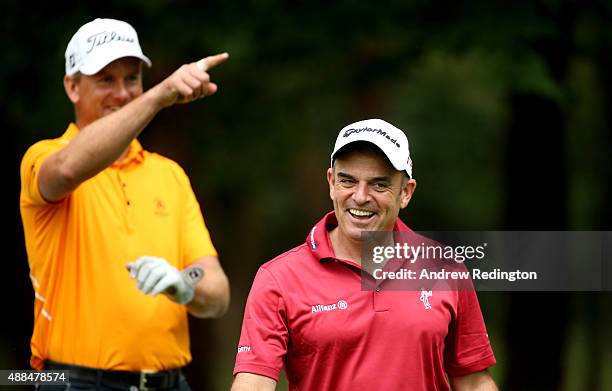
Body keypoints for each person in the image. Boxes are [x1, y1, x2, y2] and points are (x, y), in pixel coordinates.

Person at [19, 18, 230, 390]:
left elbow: (218, 293)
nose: (122, 93)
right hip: (73, 383)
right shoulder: (45, 157)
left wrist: (184, 285)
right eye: (105, 80)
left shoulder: (169, 175)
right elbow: (67, 170)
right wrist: (157, 98)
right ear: (72, 86)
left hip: (169, 383)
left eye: (131, 79)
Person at [231, 118, 498, 390]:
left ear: (406, 193)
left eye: (379, 185)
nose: (360, 196)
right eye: (348, 181)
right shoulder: (278, 278)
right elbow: (254, 382)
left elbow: (474, 381)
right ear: (331, 183)